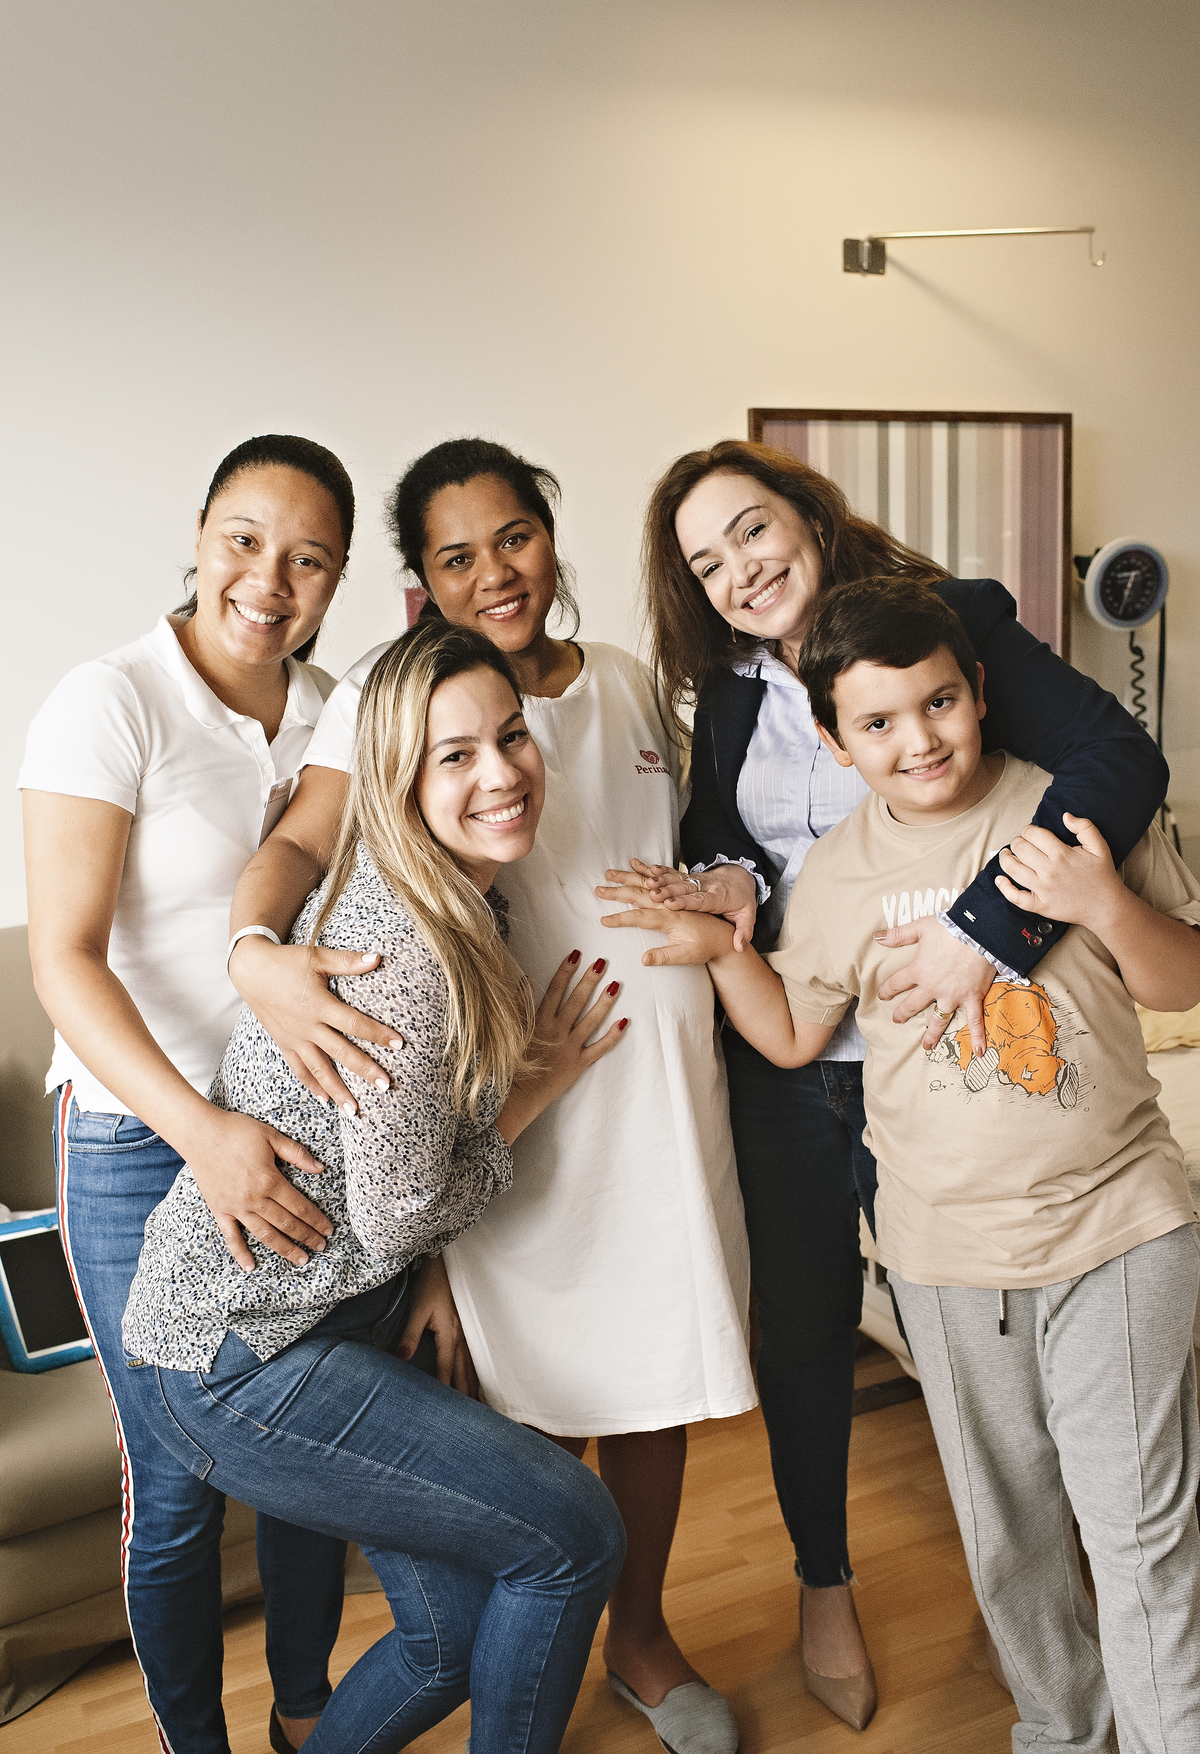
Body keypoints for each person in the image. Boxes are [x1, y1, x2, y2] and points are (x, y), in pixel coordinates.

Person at [614, 439, 1169, 1731]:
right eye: (707, 561)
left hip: (971, 1055)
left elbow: (1117, 767)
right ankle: (830, 1584)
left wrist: (988, 930)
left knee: (987, 1375)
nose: (740, 569)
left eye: (753, 530)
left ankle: (1072, 1640)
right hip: (806, 1048)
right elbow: (718, 837)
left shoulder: (951, 623)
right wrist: (731, 890)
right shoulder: (735, 693)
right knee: (808, 1331)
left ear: (809, 514)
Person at [226, 439, 754, 1754]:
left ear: (551, 538)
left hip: (659, 1096)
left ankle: (640, 1632)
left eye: (513, 536)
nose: (494, 571)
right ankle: (553, 1632)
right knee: (529, 1396)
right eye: (456, 554)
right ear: (421, 583)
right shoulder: (393, 700)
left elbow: (701, 852)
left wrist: (734, 893)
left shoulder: (626, 683)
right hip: (507, 1108)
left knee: (658, 1371)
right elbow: (300, 841)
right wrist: (261, 956)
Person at [119, 618, 628, 1754]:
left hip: (307, 1331)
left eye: (511, 736)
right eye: (454, 756)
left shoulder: (456, 901)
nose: (501, 772)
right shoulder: (398, 945)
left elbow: (393, 1187)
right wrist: (528, 1100)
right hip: (246, 1360)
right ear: (395, 779)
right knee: (575, 1534)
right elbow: (399, 1212)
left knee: (446, 1638)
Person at [19, 436, 361, 1754]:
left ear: (335, 579)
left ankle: (307, 1710)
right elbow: (62, 958)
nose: (267, 577)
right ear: (200, 533)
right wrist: (203, 1134)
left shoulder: (335, 710)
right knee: (170, 1483)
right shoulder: (110, 698)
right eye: (243, 538)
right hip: (130, 1139)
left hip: (286, 1132)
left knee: (301, 1452)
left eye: (306, 556)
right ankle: (190, 1737)